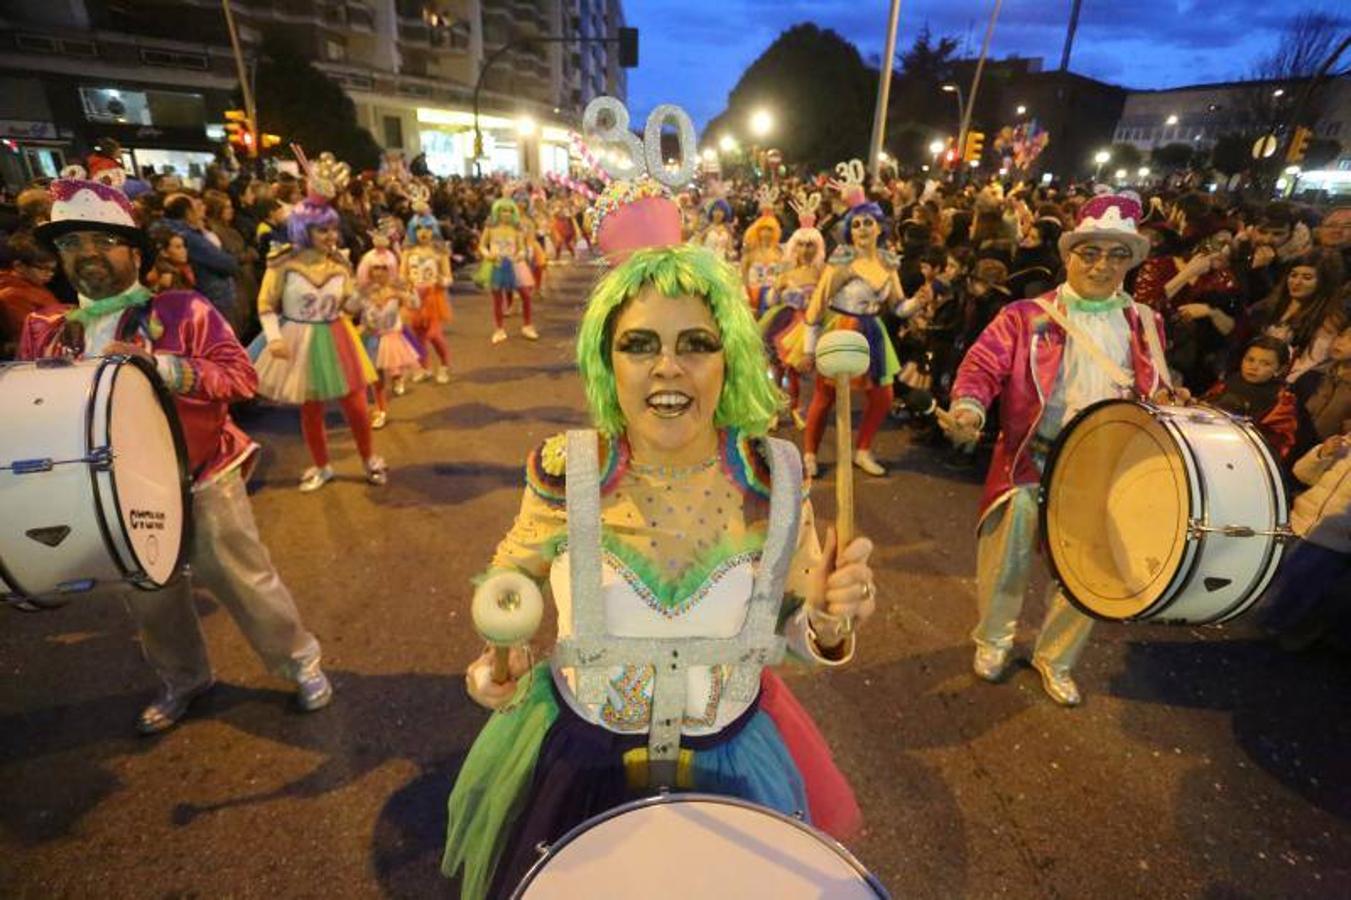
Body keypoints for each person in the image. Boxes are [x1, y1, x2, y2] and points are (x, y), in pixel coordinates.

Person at [441, 176, 876, 899]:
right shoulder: (565, 471)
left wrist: (829, 617)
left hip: (734, 767)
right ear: (607, 363)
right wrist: (502, 653)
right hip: (579, 771)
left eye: (694, 344)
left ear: (728, 357)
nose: (667, 367)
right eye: (639, 344)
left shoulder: (774, 476)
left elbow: (795, 628)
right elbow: (504, 593)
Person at [19, 172, 332, 733]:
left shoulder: (184, 310)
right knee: (149, 597)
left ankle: (299, 660)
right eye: (71, 244)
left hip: (203, 474)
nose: (87, 255)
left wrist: (163, 368)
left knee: (244, 579)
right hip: (115, 494)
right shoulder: (45, 332)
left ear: (134, 253)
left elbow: (240, 378)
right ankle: (184, 678)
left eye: (102, 241)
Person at [943, 194, 1177, 707]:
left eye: (1117, 255)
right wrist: (968, 409)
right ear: (1069, 255)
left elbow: (1155, 387)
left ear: (1131, 261)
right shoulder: (1025, 316)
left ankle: (1057, 658)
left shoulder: (1146, 323)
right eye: (1090, 252)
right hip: (1031, 460)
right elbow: (982, 367)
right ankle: (994, 641)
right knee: (1007, 562)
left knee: (1085, 575)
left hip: (1107, 471)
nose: (1101, 265)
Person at [248, 152, 387, 492]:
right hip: (300, 338)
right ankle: (322, 466)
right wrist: (274, 337)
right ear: (304, 230)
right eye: (323, 230)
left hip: (338, 335)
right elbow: (265, 304)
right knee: (311, 410)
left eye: (333, 229)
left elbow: (349, 304)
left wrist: (365, 295)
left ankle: (369, 460)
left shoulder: (340, 264)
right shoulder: (282, 263)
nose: (331, 237)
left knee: (356, 405)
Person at [797, 165, 904, 478]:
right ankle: (809, 454)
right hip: (842, 328)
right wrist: (809, 349)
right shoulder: (841, 259)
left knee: (883, 397)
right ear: (849, 230)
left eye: (868, 222)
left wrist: (920, 302)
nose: (862, 228)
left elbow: (898, 306)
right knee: (825, 396)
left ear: (878, 226)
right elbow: (817, 305)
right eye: (856, 224)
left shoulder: (888, 261)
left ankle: (863, 450)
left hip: (874, 331)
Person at [1257, 427, 1351, 648]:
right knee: (1271, 578)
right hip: (1298, 522)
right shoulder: (1343, 444)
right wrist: (1322, 454)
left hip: (1333, 539)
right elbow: (1301, 473)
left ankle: (1275, 630)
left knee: (1301, 589)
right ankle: (1259, 622)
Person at [1243, 247, 1346, 383]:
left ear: (1323, 283)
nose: (1296, 282)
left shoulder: (1328, 321)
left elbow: (1308, 365)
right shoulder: (1270, 305)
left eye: (1307, 278)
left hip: (1282, 385)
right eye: (1293, 275)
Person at [1201, 336, 1298, 461]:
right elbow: (1205, 405)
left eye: (1265, 363)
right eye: (1250, 359)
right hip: (1206, 441)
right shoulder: (1230, 381)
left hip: (1240, 457)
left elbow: (1278, 446)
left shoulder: (1282, 400)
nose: (1254, 367)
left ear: (1279, 370)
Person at [357, 243, 421, 428]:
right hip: (369, 337)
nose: (379, 272)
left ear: (391, 269)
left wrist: (411, 289)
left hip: (390, 337)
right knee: (375, 378)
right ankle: (381, 409)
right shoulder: (362, 290)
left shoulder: (396, 290)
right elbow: (349, 309)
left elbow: (415, 305)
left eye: (384, 268)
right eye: (375, 267)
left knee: (391, 366)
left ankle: (397, 378)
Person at [401, 206, 455, 382]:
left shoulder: (440, 252)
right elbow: (403, 275)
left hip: (433, 296)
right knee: (418, 335)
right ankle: (424, 366)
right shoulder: (408, 252)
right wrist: (403, 288)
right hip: (415, 296)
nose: (423, 233)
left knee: (434, 334)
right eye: (418, 229)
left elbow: (448, 277)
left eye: (427, 229)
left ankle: (445, 365)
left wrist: (442, 281)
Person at [478, 198, 537, 345]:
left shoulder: (516, 228)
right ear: (497, 212)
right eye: (503, 211)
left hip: (515, 264)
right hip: (496, 264)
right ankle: (499, 329)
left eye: (509, 211)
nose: (506, 214)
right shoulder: (490, 228)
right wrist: (487, 254)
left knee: (526, 295)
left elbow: (521, 247)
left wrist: (521, 254)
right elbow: (482, 245)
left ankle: (527, 325)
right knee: (497, 299)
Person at [1290, 324, 1351, 461]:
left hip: (1323, 456)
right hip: (1289, 443)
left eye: (1350, 340)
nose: (1340, 342)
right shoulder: (1315, 374)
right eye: (1341, 335)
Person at [0, 233, 61, 359]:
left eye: (53, 270)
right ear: (19, 266)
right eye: (43, 269)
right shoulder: (11, 295)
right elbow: (29, 336)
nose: (50, 274)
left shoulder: (34, 284)